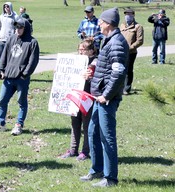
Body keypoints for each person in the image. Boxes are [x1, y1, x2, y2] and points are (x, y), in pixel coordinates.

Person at [79, 8, 129, 187]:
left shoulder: (116, 42)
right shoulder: (108, 40)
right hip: (99, 96)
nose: (98, 24)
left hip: (106, 99)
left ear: (108, 23)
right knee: (92, 132)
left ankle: (110, 178)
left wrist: (106, 95)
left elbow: (118, 72)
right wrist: (93, 73)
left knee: (107, 137)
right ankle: (97, 169)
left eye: (101, 21)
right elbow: (107, 68)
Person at [0, 18, 40, 136]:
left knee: (21, 102)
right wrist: (1, 70)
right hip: (8, 77)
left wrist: (25, 74)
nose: (18, 29)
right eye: (16, 27)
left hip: (22, 79)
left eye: (20, 27)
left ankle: (19, 125)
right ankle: (0, 123)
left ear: (25, 28)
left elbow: (33, 61)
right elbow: (4, 55)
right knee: (2, 100)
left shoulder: (32, 42)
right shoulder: (11, 39)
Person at [59, 38, 97, 161]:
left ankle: (85, 151)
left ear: (91, 51)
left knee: (86, 125)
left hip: (87, 99)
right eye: (79, 49)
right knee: (75, 123)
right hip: (75, 99)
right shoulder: (75, 62)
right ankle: (73, 149)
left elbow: (97, 82)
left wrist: (90, 76)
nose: (81, 52)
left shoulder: (95, 63)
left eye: (84, 50)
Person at [120, 8, 144, 95]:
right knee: (120, 69)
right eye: (126, 14)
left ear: (133, 15)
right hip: (121, 51)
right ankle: (120, 87)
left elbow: (140, 40)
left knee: (128, 70)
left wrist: (130, 47)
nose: (128, 16)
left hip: (131, 52)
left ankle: (127, 88)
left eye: (130, 14)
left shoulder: (138, 27)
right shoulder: (122, 25)